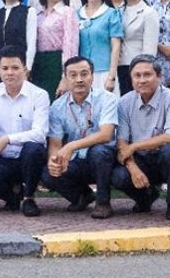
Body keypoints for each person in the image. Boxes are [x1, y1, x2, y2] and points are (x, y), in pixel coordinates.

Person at [42, 56, 119, 219]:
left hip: (104, 160)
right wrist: (53, 160)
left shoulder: (107, 99)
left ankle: (103, 203)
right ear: (65, 78)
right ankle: (82, 196)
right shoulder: (57, 107)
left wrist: (71, 146)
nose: (79, 80)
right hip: (76, 160)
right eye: (73, 75)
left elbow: (106, 134)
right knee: (49, 173)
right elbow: (55, 143)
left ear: (92, 76)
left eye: (84, 74)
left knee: (99, 152)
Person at [0, 46, 49, 217]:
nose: (10, 73)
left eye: (15, 68)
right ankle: (14, 197)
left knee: (34, 148)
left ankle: (29, 198)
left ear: (25, 70)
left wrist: (6, 139)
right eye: (5, 68)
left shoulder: (39, 95)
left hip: (30, 157)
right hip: (5, 157)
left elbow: (40, 133)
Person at [112, 54, 170, 219]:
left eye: (147, 75)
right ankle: (145, 198)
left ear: (158, 76)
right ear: (131, 79)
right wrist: (133, 168)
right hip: (140, 160)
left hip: (162, 158)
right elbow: (122, 142)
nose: (142, 80)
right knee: (118, 176)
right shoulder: (124, 102)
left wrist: (135, 146)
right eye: (137, 75)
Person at [26, 0, 78, 99]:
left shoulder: (68, 12)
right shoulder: (36, 13)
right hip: (37, 64)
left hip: (56, 64)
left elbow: (70, 46)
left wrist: (66, 76)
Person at [77, 0, 122, 94]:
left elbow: (116, 46)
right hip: (81, 74)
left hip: (104, 72)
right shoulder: (76, 15)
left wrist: (111, 76)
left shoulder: (111, 14)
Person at [117, 0, 160, 95]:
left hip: (136, 70)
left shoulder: (149, 13)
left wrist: (143, 74)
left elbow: (149, 51)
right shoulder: (117, 11)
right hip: (117, 68)